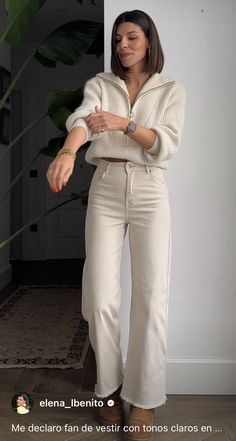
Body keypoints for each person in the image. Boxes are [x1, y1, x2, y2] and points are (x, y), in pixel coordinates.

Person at [46, 9, 186, 441]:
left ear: (149, 41)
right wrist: (67, 153)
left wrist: (125, 124)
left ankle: (143, 401)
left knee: (150, 298)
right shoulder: (101, 86)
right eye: (118, 38)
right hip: (105, 185)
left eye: (132, 38)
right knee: (101, 296)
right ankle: (109, 389)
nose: (123, 46)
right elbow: (84, 121)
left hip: (149, 188)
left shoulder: (171, 90)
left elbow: (164, 144)